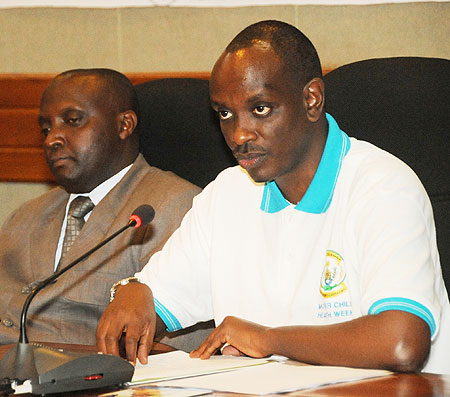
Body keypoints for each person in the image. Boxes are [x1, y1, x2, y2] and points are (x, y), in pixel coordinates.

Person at [96, 21, 450, 374]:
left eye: (260, 109)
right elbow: (153, 301)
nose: (239, 134)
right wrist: (135, 292)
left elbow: (402, 343)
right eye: (225, 113)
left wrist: (269, 339)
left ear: (311, 100)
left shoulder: (383, 186)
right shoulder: (228, 193)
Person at [0, 68, 204, 347]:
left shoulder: (175, 207)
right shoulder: (26, 215)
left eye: (72, 121)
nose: (52, 139)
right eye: (46, 128)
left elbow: (181, 345)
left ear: (124, 125)